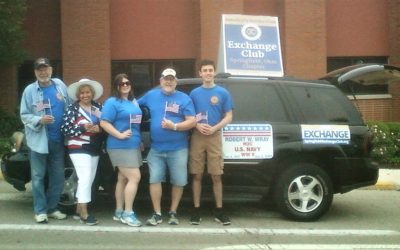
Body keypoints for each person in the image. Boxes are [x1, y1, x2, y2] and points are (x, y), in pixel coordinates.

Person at [138, 68, 196, 226]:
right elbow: (134, 107)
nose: (168, 81)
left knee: (178, 181)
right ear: (160, 81)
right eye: (166, 79)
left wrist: (174, 126)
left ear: (176, 81)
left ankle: (173, 212)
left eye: (171, 79)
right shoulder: (151, 95)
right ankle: (157, 213)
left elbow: (192, 121)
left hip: (178, 148)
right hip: (156, 149)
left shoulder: (184, 99)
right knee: (154, 179)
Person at [20, 57, 71, 223]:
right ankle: (40, 211)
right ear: (35, 72)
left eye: (46, 68)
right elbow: (24, 115)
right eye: (39, 69)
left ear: (51, 69)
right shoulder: (29, 91)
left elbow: (69, 107)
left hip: (58, 140)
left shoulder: (60, 85)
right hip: (39, 141)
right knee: (38, 177)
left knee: (57, 178)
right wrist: (39, 120)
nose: (43, 72)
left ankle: (52, 208)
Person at [189, 59, 234, 226]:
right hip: (197, 135)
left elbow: (229, 116)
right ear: (200, 73)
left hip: (214, 136)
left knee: (216, 175)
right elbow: (190, 115)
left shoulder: (223, 93)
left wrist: (215, 128)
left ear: (214, 72)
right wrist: (197, 125)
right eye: (204, 70)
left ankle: (219, 210)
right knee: (197, 174)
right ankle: (196, 210)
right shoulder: (194, 93)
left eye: (210, 70)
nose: (208, 73)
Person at [100, 74, 143, 227]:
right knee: (135, 177)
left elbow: (135, 125)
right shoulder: (112, 102)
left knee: (122, 178)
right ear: (116, 86)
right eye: (121, 83)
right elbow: (104, 123)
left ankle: (119, 211)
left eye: (127, 82)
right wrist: (119, 134)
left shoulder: (132, 102)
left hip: (133, 145)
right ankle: (128, 213)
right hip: (119, 146)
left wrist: (140, 141)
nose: (125, 85)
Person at [61, 78, 104, 226]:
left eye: (88, 92)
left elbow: (105, 124)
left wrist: (100, 129)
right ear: (78, 95)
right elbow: (65, 130)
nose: (85, 95)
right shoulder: (72, 109)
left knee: (88, 180)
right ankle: (84, 213)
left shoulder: (98, 107)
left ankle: (78, 209)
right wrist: (83, 128)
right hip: (78, 148)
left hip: (94, 148)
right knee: (85, 178)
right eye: (82, 93)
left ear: (92, 93)